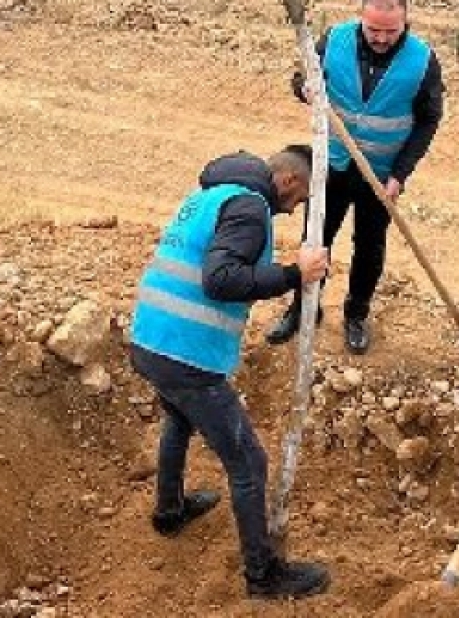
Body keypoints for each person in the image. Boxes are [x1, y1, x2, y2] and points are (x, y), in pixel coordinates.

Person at [129, 146, 332, 600]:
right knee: (249, 464)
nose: (292, 210)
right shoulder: (250, 207)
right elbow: (220, 279)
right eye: (297, 202)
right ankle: (263, 576)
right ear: (290, 183)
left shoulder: (212, 194)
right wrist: (292, 274)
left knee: (178, 420)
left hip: (150, 339)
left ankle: (169, 510)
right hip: (186, 354)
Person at [267, 0, 444, 354]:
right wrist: (304, 90)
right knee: (316, 240)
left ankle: (356, 314)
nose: (381, 38)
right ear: (361, 16)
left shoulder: (423, 61)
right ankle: (303, 308)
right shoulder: (335, 40)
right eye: (373, 29)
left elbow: (428, 121)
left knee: (369, 247)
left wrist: (399, 175)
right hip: (330, 165)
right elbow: (302, 78)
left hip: (379, 176)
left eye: (390, 31)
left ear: (405, 20)